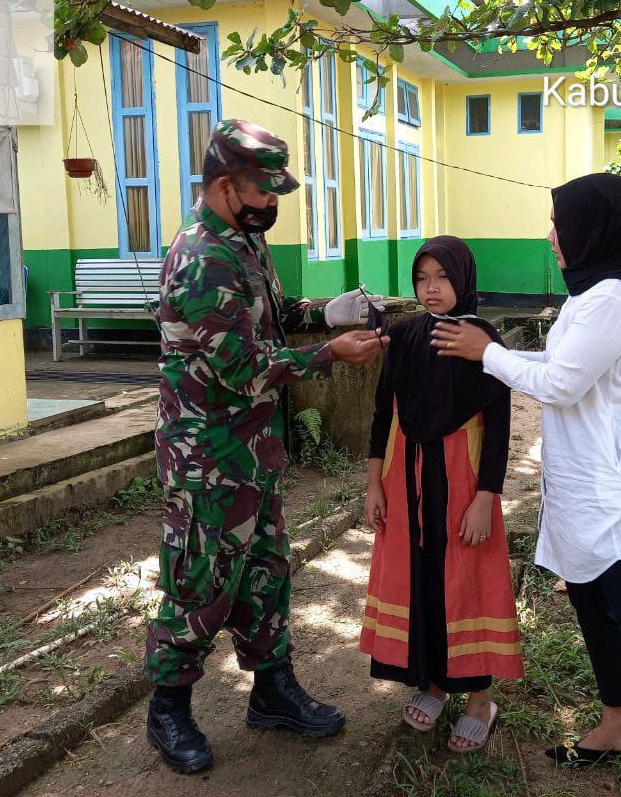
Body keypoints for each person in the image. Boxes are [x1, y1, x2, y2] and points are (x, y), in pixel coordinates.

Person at [432, 174, 621, 797]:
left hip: (611, 491)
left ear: (593, 230)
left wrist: (483, 353)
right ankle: (618, 721)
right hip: (582, 485)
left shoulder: (609, 300)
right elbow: (557, 365)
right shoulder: (594, 294)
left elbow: (561, 385)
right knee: (592, 605)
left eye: (560, 223)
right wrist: (492, 346)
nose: (551, 235)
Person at [145, 118, 388, 775]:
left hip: (253, 451)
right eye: (263, 191)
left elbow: (271, 318)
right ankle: (168, 708)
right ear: (226, 186)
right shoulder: (200, 260)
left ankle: (273, 691)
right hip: (207, 460)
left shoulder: (243, 243)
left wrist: (329, 312)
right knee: (199, 583)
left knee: (265, 574)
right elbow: (242, 366)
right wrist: (328, 355)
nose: (274, 204)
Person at [360, 236, 522, 754]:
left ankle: (479, 700)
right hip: (405, 475)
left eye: (443, 278)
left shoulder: (480, 338)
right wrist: (373, 485)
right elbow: (384, 413)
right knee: (421, 577)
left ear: (464, 280)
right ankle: (432, 684)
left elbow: (498, 424)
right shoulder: (406, 336)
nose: (432, 289)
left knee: (465, 577)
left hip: (462, 477)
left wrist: (485, 497)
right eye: (423, 278)